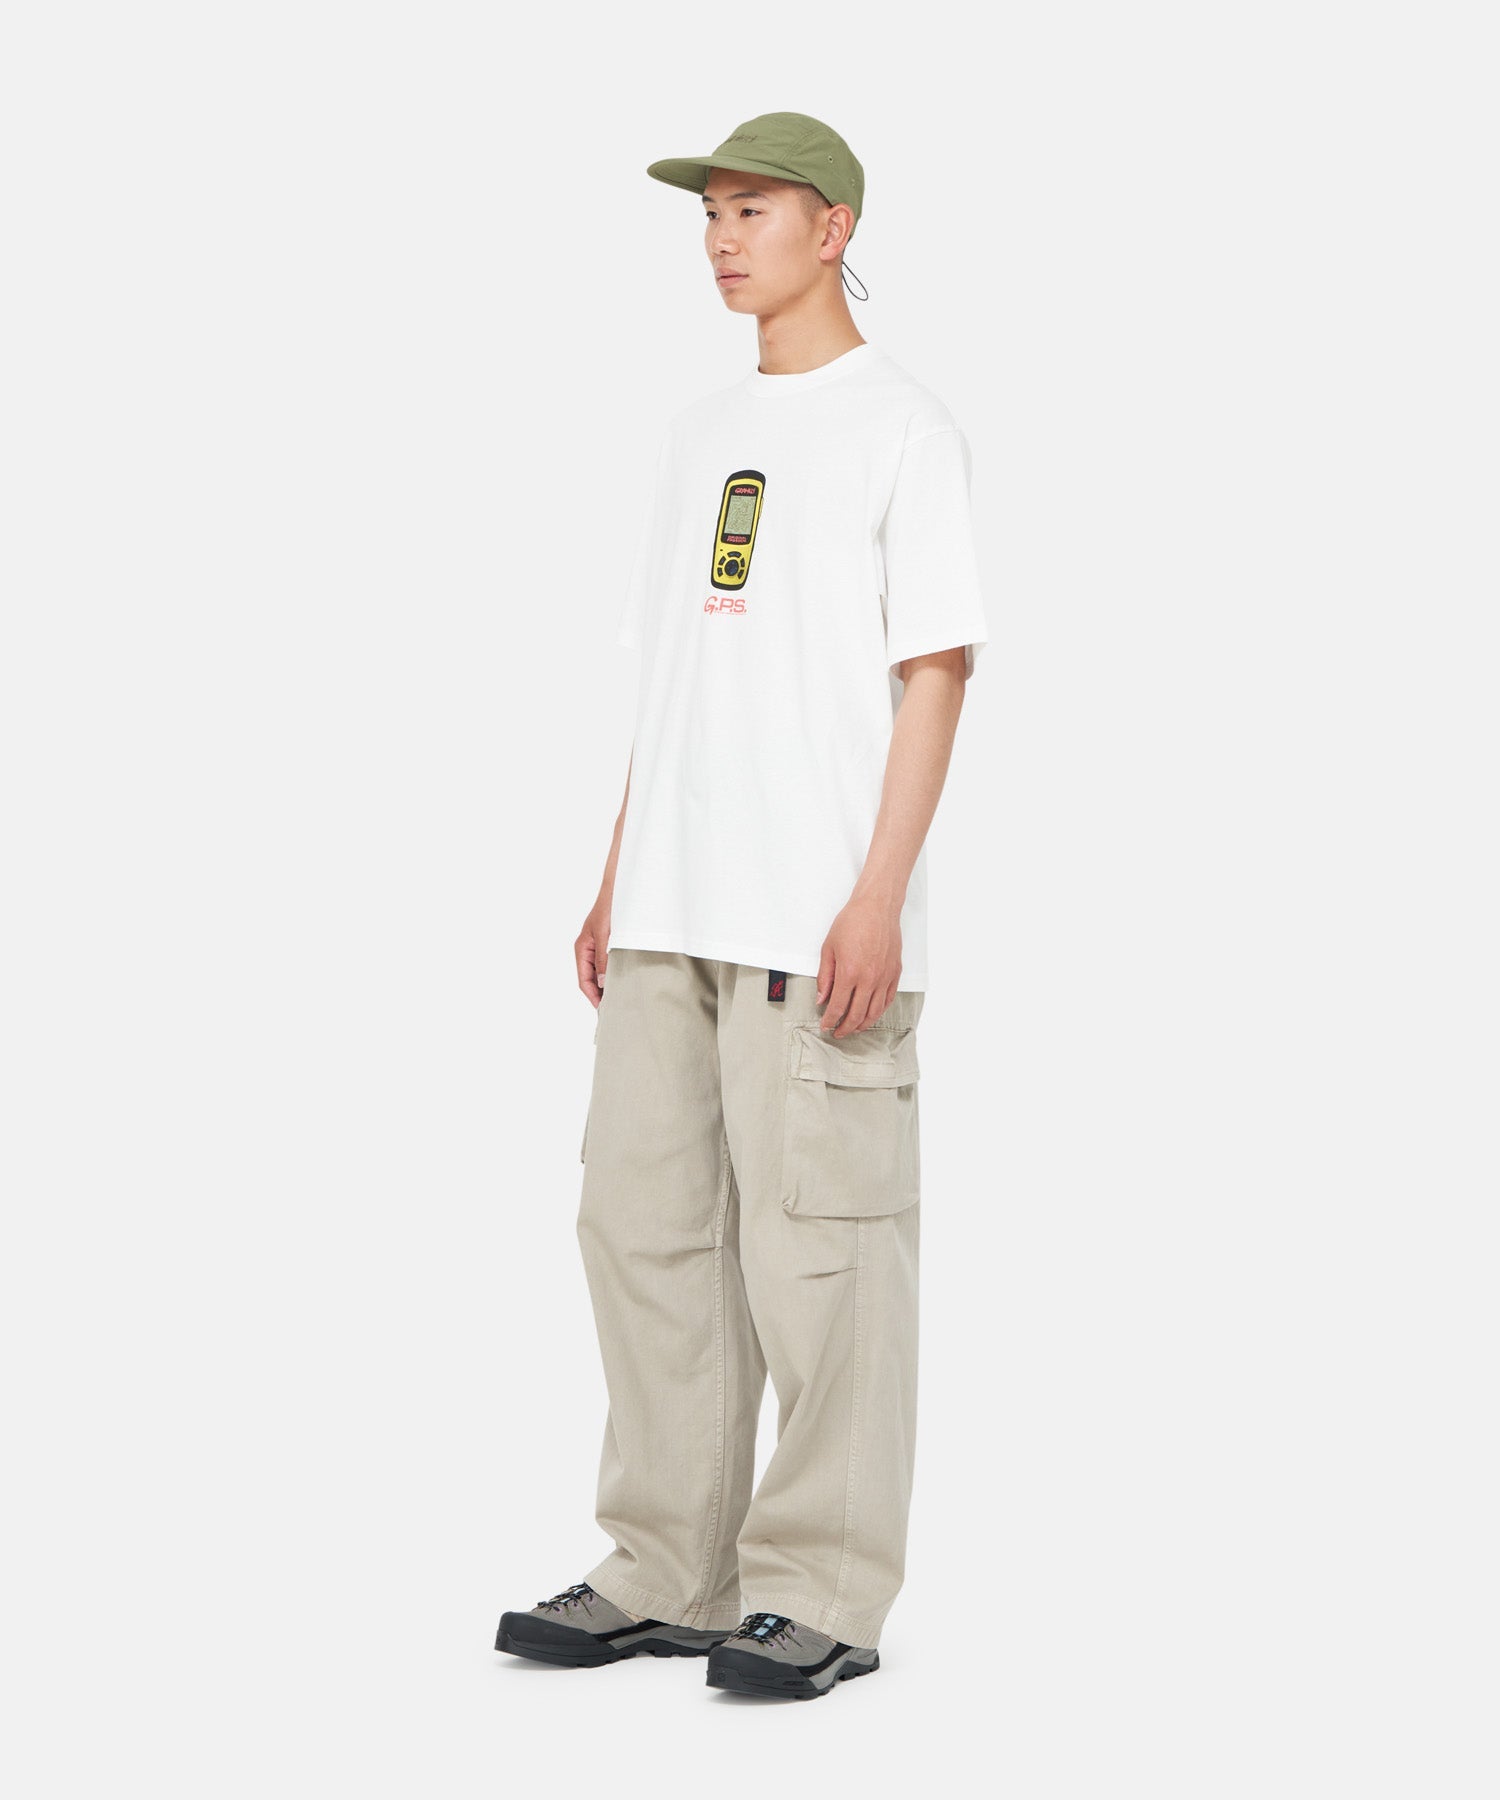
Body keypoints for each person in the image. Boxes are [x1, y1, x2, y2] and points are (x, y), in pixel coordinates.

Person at [494, 111, 989, 1701]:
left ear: (833, 228)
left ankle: (823, 1591)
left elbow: (936, 675)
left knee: (822, 1259)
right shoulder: (700, 431)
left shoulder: (905, 429)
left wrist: (878, 898)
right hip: (672, 910)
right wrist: (616, 874)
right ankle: (668, 1567)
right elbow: (679, 682)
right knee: (643, 1233)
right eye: (709, 213)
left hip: (812, 919)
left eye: (752, 209)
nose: (720, 238)